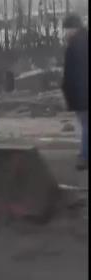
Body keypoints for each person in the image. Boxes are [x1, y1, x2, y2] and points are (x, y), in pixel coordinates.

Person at [62, 14, 89, 170]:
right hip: (81, 94)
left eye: (66, 29)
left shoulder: (78, 44)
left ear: (74, 28)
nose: (65, 33)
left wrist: (78, 96)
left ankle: (84, 157)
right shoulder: (80, 42)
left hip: (83, 95)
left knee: (86, 126)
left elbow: (78, 74)